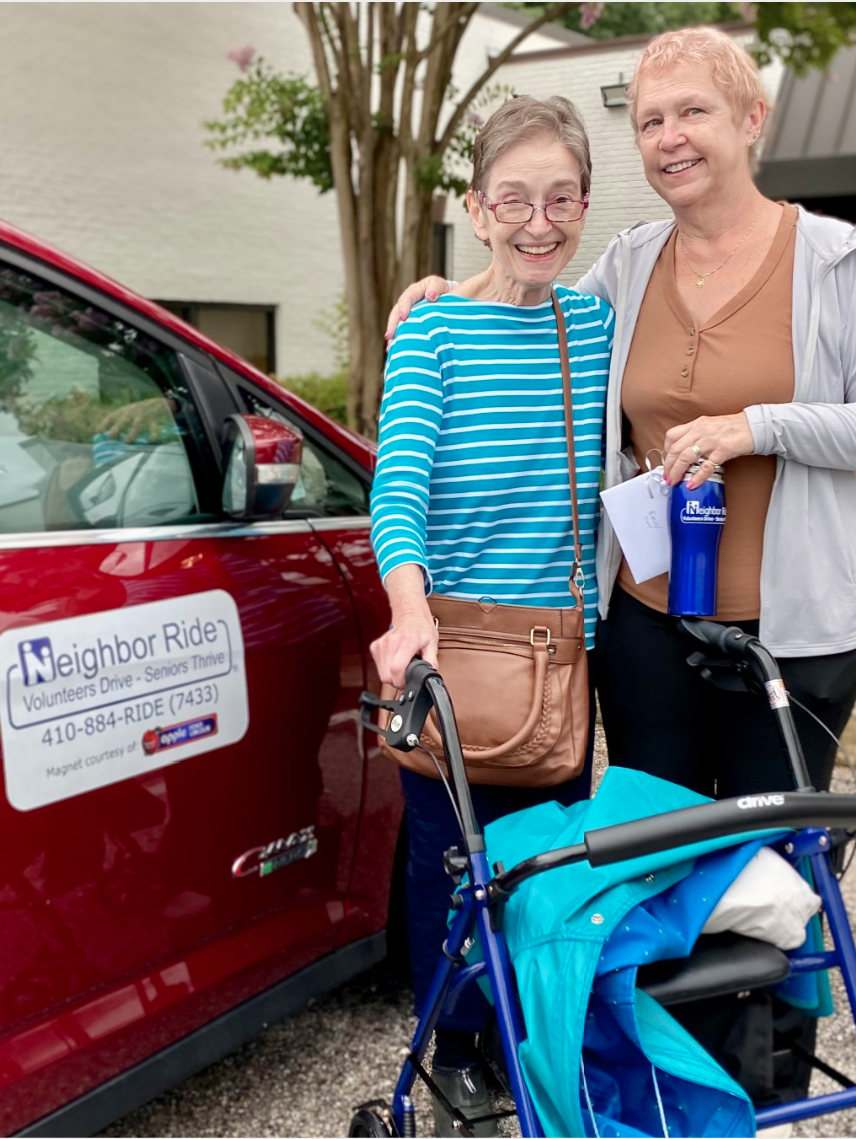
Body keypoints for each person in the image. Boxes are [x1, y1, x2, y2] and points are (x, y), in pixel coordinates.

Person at [386, 26, 856, 1113]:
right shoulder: (627, 265)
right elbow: (520, 288)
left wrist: (754, 425)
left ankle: (756, 1082)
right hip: (645, 620)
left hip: (796, 627)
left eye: (690, 111)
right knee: (652, 851)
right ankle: (656, 1068)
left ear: (748, 120)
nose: (669, 136)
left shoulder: (830, 258)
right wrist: (440, 289)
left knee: (775, 858)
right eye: (647, 119)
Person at [369, 95, 613, 1136]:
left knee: (543, 858)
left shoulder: (594, 321)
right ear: (474, 207)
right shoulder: (429, 326)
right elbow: (400, 487)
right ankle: (457, 1042)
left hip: (560, 653)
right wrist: (404, 608)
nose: (537, 220)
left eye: (559, 197)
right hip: (455, 651)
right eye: (511, 197)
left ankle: (530, 1028)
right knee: (450, 865)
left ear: (584, 205)